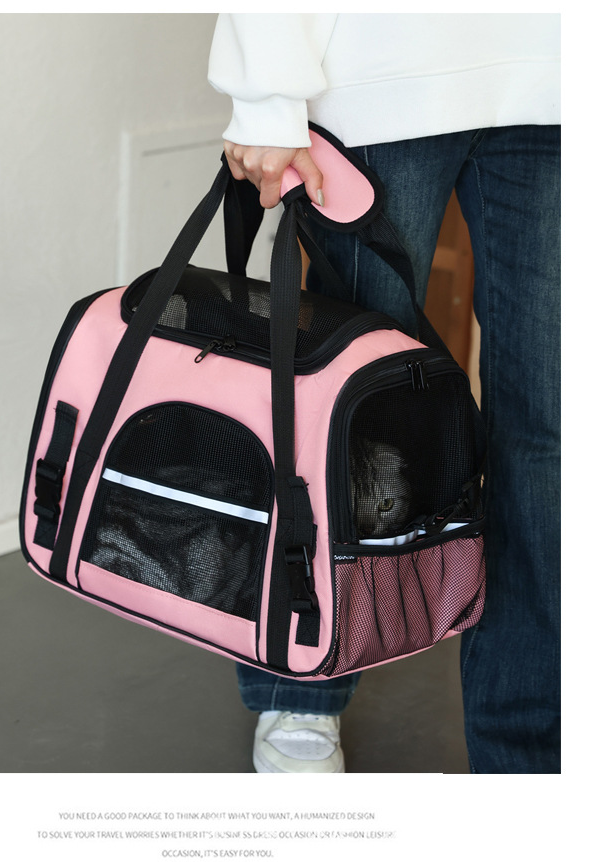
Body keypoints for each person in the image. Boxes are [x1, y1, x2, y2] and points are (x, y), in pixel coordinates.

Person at [207, 13, 561, 774]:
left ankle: (533, 748)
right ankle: (301, 688)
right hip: (376, 75)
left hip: (558, 83)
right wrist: (266, 94)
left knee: (552, 436)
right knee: (340, 419)